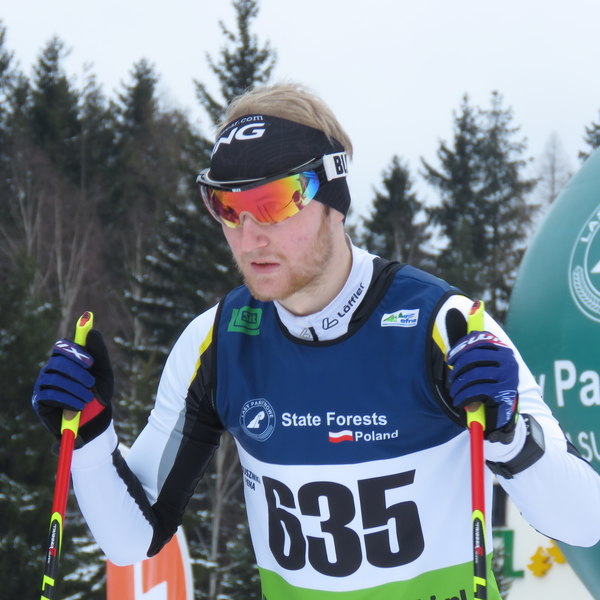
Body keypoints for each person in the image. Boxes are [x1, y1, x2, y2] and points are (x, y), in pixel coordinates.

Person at [32, 82, 600, 600]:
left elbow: (584, 522)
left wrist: (508, 435)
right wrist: (90, 434)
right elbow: (133, 541)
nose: (249, 237)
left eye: (273, 203)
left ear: (335, 203)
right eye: (227, 208)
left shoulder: (444, 327)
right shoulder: (217, 342)